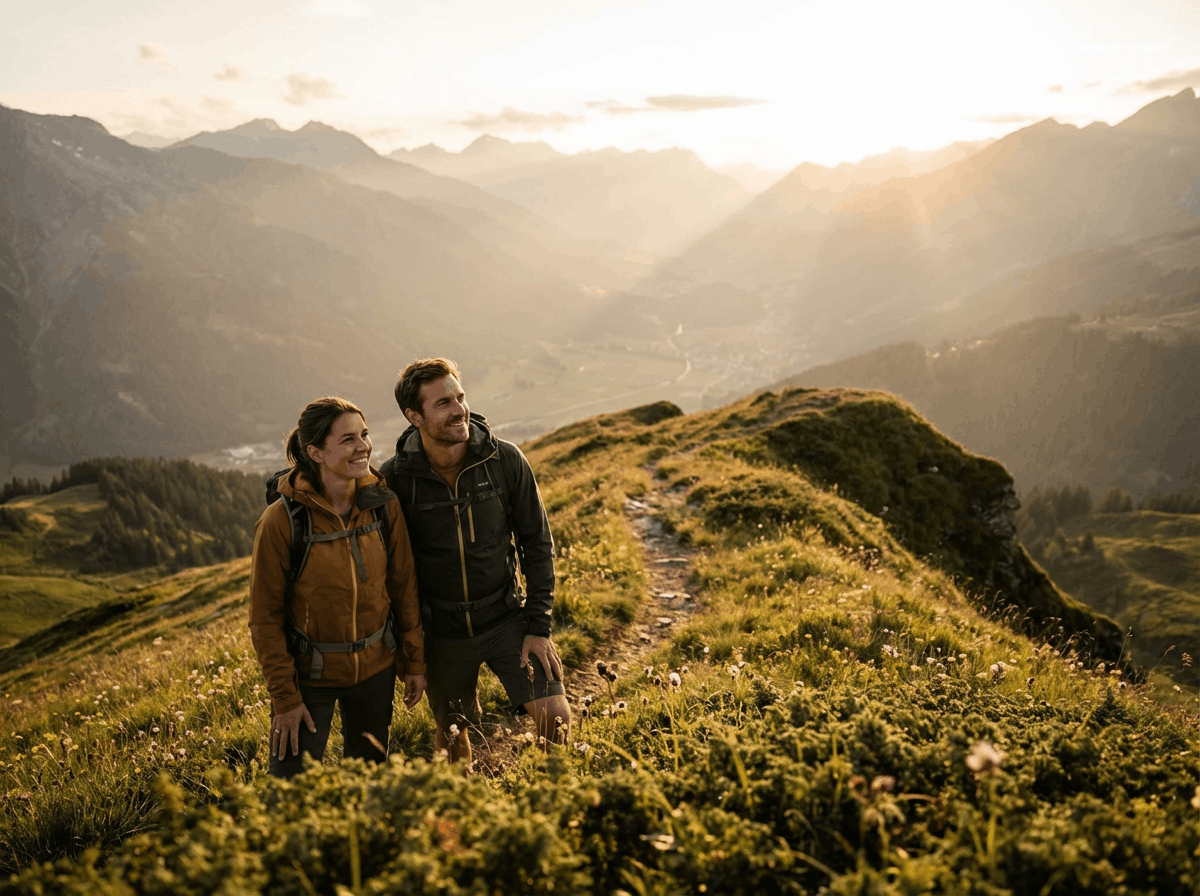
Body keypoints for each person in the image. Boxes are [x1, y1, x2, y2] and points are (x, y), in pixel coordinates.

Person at [380, 358, 570, 764]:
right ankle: (468, 817)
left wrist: (538, 628)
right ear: (414, 416)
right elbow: (391, 574)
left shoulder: (504, 461)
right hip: (442, 633)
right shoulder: (396, 480)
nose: (458, 409)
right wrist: (412, 651)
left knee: (556, 720)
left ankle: (552, 804)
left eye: (460, 397)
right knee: (452, 742)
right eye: (443, 403)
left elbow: (537, 545)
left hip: (506, 619)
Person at [249, 397, 426, 778]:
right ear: (315, 452)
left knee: (369, 779)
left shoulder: (383, 503)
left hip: (376, 669)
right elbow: (264, 619)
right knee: (290, 790)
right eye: (348, 439)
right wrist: (284, 698)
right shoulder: (281, 521)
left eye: (364, 434)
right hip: (309, 678)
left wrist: (413, 661)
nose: (363, 446)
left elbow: (403, 586)